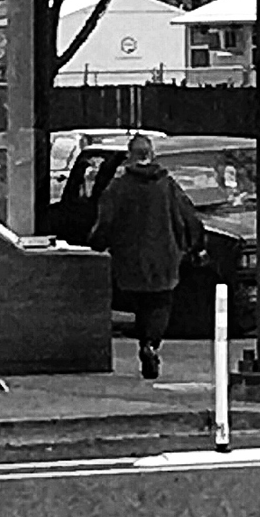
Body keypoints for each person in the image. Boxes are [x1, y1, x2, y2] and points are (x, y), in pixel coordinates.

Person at [89, 134, 205, 379]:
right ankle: (151, 344)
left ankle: (146, 343)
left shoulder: (118, 187)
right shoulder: (168, 186)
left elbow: (105, 221)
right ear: (151, 155)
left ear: (130, 156)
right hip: (165, 257)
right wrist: (195, 245)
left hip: (129, 259)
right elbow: (189, 217)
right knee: (161, 303)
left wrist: (97, 243)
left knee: (140, 304)